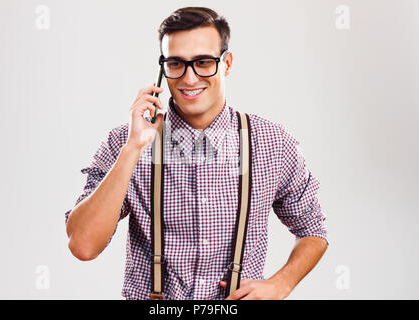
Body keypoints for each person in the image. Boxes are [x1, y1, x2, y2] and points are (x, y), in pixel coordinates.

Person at [64, 6, 328, 300]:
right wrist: (133, 149)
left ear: (226, 64)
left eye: (203, 62)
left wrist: (282, 283)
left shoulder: (273, 143)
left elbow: (313, 229)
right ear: (162, 70)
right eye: (175, 63)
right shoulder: (123, 142)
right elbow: (83, 245)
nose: (189, 79)